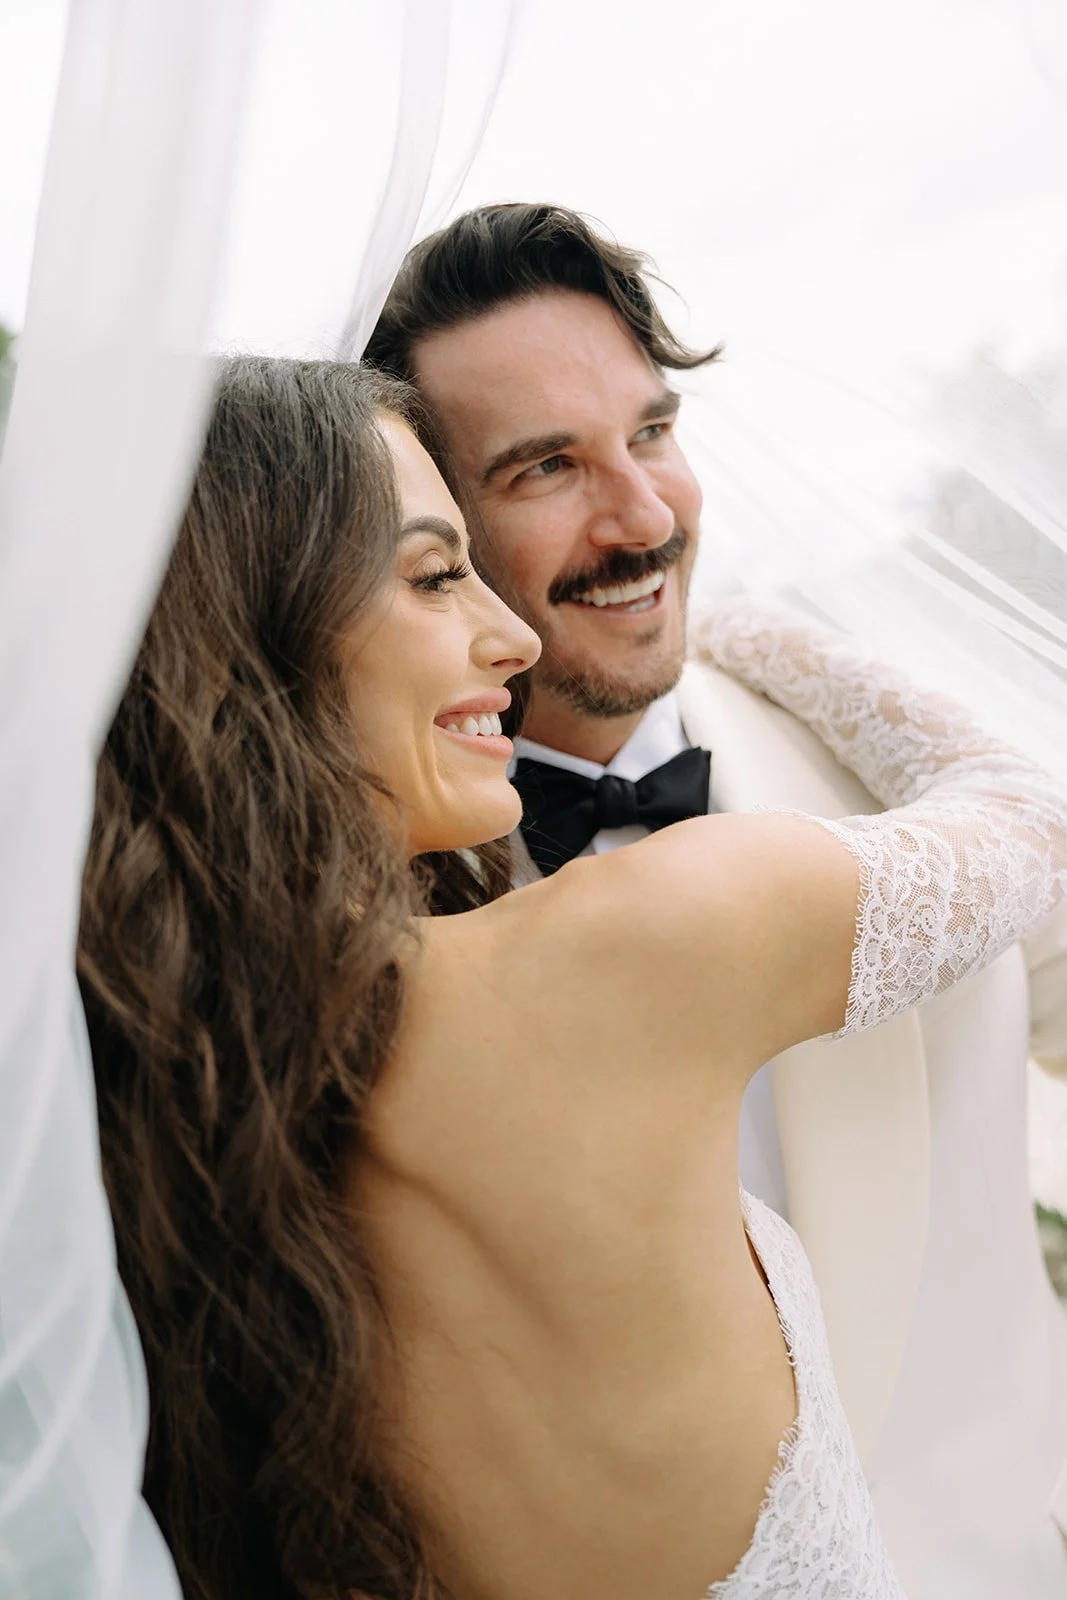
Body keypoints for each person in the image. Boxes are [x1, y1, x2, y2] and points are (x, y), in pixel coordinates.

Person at [78, 354, 1067, 1600]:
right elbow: (1029, 821)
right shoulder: (643, 941)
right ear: (254, 644)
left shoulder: (129, 1114)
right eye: (439, 574)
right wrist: (761, 639)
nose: (512, 632)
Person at [365, 203, 1067, 1598]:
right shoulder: (344, 909)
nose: (641, 516)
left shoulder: (877, 769)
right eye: (545, 467)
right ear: (430, 523)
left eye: (651, 434)